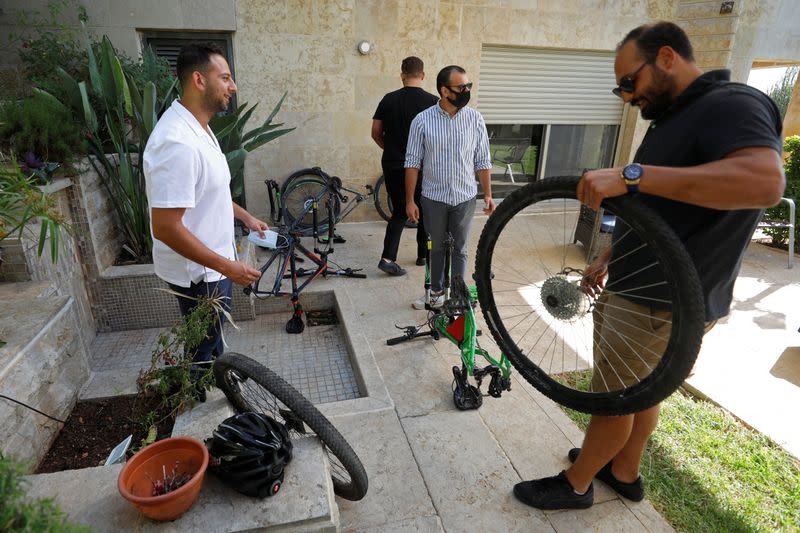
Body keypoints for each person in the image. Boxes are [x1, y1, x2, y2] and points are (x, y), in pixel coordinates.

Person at [512, 22, 784, 510]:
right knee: (643, 393)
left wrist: (632, 173)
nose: (623, 96)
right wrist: (610, 256)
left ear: (665, 57)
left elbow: (765, 183)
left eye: (628, 83)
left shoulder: (731, 104)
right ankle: (624, 470)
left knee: (615, 397)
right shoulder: (677, 117)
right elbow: (664, 210)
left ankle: (575, 485)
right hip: (649, 286)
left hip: (660, 299)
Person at [143, 42, 269, 381]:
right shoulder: (176, 143)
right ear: (199, 80)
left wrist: (245, 217)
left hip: (215, 267)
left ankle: (218, 384)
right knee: (201, 353)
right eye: (225, 77)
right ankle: (196, 408)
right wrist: (228, 267)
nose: (233, 87)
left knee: (213, 345)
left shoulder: (200, 128)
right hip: (201, 276)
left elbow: (206, 193)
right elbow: (166, 227)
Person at [405, 65, 496, 309]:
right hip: (433, 197)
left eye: (469, 86)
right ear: (445, 91)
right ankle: (435, 294)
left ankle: (457, 297)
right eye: (461, 87)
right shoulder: (422, 121)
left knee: (460, 249)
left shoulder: (475, 119)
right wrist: (410, 201)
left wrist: (488, 194)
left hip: (465, 197)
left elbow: (483, 160)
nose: (467, 91)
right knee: (436, 248)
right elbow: (412, 163)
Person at [372, 56, 438, 276]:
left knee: (400, 210)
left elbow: (375, 133)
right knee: (425, 208)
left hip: (392, 163)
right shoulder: (433, 102)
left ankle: (389, 257)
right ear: (423, 75)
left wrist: (391, 150)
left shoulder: (388, 99)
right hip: (421, 165)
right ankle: (422, 255)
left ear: (402, 75)